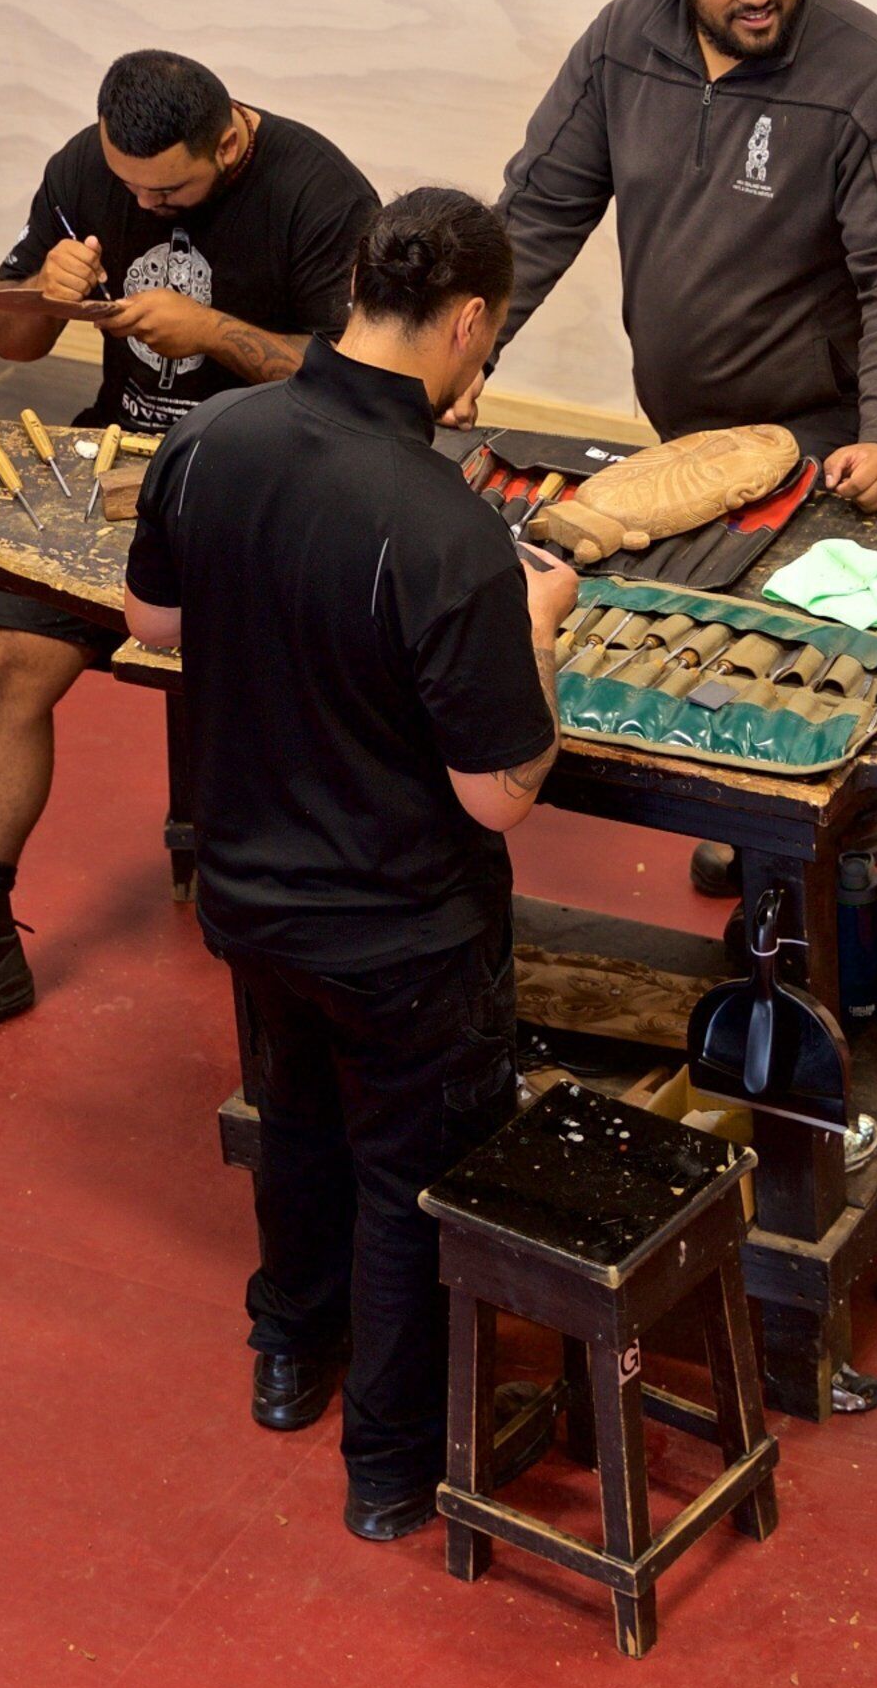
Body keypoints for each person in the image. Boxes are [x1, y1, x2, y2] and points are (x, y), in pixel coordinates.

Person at [121, 187, 578, 1541]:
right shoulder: (446, 534)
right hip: (401, 936)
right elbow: (497, 797)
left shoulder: (211, 438)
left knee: (297, 1126)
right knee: (403, 1177)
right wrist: (539, 627)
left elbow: (153, 618)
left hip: (251, 899)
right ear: (470, 324)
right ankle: (387, 1470)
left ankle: (287, 1357)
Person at [0, 50, 378, 1071]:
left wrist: (212, 331)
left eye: (167, 190)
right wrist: (42, 295)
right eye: (129, 186)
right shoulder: (88, 170)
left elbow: (363, 382)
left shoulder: (321, 191)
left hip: (277, 476)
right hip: (120, 468)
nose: (142, 204)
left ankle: (323, 955)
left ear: (229, 140)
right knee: (10, 665)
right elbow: (8, 340)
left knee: (286, 700)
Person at [491, 0, 877, 898]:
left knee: (809, 645)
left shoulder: (870, 80)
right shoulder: (621, 45)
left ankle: (834, 836)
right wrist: (467, 355)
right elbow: (539, 212)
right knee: (708, 624)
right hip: (686, 424)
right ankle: (755, 812)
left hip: (822, 426)